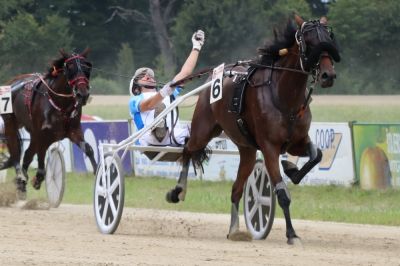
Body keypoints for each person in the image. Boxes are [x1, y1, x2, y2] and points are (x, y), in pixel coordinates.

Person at [129, 29, 205, 146]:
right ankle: (159, 129)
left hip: (174, 136)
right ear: (136, 88)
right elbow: (148, 105)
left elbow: (184, 73)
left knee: (204, 127)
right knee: (159, 106)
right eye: (142, 76)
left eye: (150, 75)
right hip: (148, 138)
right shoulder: (135, 99)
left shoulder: (169, 93)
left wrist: (196, 47)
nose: (148, 76)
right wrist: (163, 93)